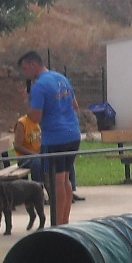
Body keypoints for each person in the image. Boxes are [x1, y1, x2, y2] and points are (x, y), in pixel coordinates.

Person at [18, 50, 80, 226]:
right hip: (73, 134)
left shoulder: (39, 86)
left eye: (25, 68)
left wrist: (28, 101)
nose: (25, 73)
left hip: (55, 138)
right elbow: (76, 106)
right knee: (65, 179)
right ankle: (64, 221)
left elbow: (35, 118)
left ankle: (57, 224)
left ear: (33, 64)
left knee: (56, 181)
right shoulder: (62, 78)